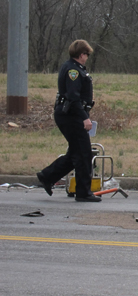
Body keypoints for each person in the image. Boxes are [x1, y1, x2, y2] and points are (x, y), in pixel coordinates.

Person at [36, 40, 100, 202]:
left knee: (75, 153)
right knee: (84, 153)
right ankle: (83, 193)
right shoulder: (73, 70)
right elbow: (73, 97)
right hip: (71, 116)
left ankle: (47, 176)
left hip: (71, 114)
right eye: (87, 55)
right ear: (81, 54)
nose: (87, 58)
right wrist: (84, 117)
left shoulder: (73, 68)